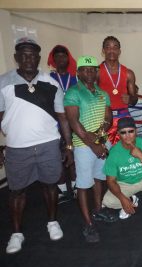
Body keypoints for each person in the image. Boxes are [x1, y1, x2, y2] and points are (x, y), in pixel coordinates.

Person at [0, 38, 73, 254]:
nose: (28, 59)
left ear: (39, 58)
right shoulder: (4, 82)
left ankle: (52, 222)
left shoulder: (50, 83)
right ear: (16, 58)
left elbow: (62, 117)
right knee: (16, 191)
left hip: (48, 145)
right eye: (23, 54)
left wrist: (68, 146)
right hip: (17, 147)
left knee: (50, 185)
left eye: (33, 55)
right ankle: (16, 233)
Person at [64, 55, 115, 243]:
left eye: (93, 69)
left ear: (97, 72)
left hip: (101, 143)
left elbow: (108, 118)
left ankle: (98, 210)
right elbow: (73, 122)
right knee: (84, 185)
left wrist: (101, 138)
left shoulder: (103, 93)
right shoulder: (72, 93)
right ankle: (88, 223)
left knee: (100, 179)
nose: (90, 72)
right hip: (84, 147)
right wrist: (93, 145)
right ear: (78, 72)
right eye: (85, 69)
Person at [102, 117, 142, 228]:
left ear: (136, 131)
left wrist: (141, 155)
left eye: (131, 131)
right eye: (123, 132)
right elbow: (111, 181)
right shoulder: (114, 152)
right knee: (108, 201)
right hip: (125, 183)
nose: (127, 136)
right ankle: (131, 199)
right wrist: (123, 199)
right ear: (118, 134)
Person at [47, 44, 78, 202]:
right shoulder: (48, 79)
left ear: (68, 58)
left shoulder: (76, 78)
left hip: (73, 124)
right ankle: (62, 190)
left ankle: (75, 186)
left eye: (63, 56)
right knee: (58, 158)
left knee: (73, 155)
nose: (60, 59)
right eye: (57, 56)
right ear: (53, 59)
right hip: (54, 126)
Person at [98, 36, 138, 145]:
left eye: (115, 47)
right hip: (104, 118)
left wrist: (130, 99)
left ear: (119, 51)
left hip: (123, 117)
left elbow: (134, 99)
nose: (111, 50)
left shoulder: (128, 73)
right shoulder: (96, 72)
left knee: (127, 151)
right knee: (106, 154)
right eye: (108, 47)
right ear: (103, 50)